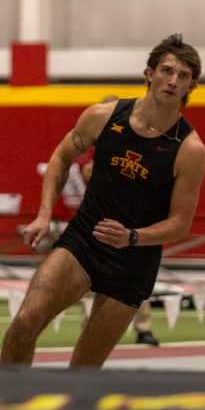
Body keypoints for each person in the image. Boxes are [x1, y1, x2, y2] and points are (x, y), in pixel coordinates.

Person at [1, 34, 205, 368]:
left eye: (182, 76)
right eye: (166, 70)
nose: (172, 80)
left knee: (84, 368)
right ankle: (4, 408)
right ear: (149, 72)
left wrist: (134, 237)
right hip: (84, 241)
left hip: (133, 261)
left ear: (191, 86)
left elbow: (179, 223)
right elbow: (60, 159)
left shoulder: (190, 149)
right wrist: (42, 215)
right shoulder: (104, 116)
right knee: (24, 322)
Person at [74, 103, 160, 348]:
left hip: (132, 222)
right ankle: (88, 329)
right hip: (98, 222)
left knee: (135, 275)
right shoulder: (95, 146)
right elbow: (87, 171)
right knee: (91, 278)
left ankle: (143, 329)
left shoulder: (141, 144)